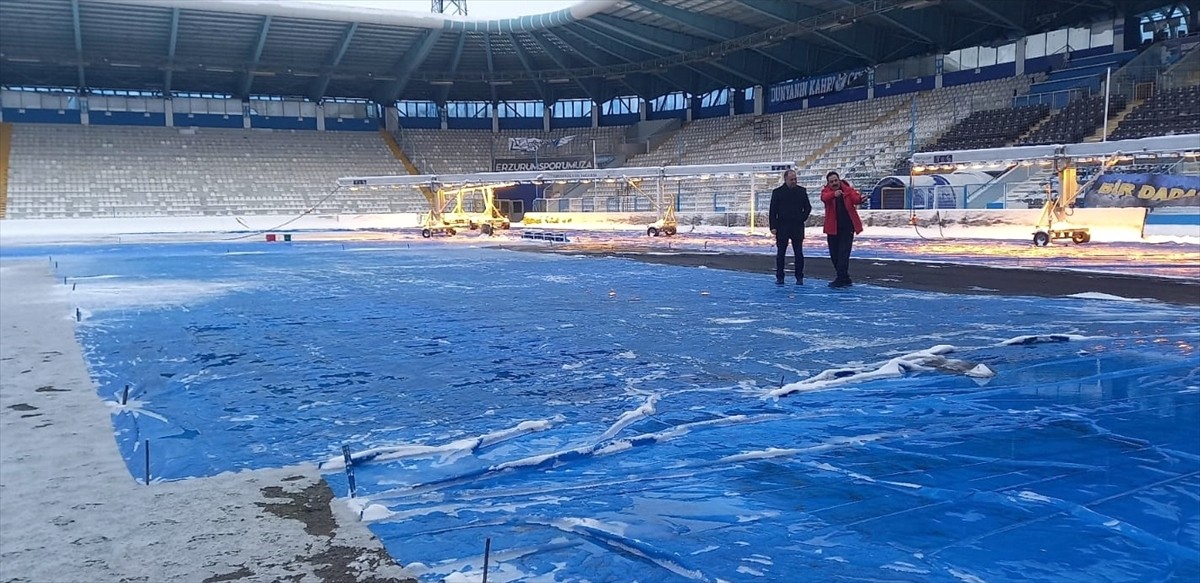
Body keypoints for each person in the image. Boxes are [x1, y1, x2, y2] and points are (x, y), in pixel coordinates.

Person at [768, 169, 812, 285]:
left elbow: (808, 208)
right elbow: (772, 211)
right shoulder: (777, 192)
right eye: (791, 179)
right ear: (785, 179)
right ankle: (780, 277)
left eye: (795, 179)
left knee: (799, 254)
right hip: (782, 227)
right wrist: (773, 226)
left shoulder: (802, 191)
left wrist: (801, 218)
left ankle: (799, 277)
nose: (794, 181)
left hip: (797, 227)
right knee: (780, 254)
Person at [820, 171, 863, 288]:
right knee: (834, 255)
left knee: (843, 254)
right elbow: (824, 198)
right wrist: (834, 194)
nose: (834, 183)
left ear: (839, 180)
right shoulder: (826, 192)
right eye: (831, 182)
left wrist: (860, 199)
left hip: (847, 228)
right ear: (828, 183)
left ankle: (840, 278)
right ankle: (845, 278)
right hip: (832, 229)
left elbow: (855, 198)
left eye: (835, 180)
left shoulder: (848, 190)